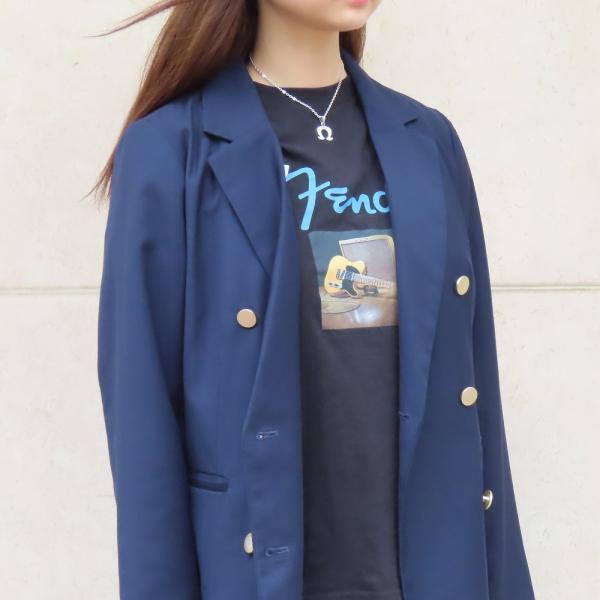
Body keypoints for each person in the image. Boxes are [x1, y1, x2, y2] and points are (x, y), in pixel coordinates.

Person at [92, 1, 536, 599]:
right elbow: (142, 410)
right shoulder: (172, 150)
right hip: (259, 574)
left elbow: (475, 394)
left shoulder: (428, 140)